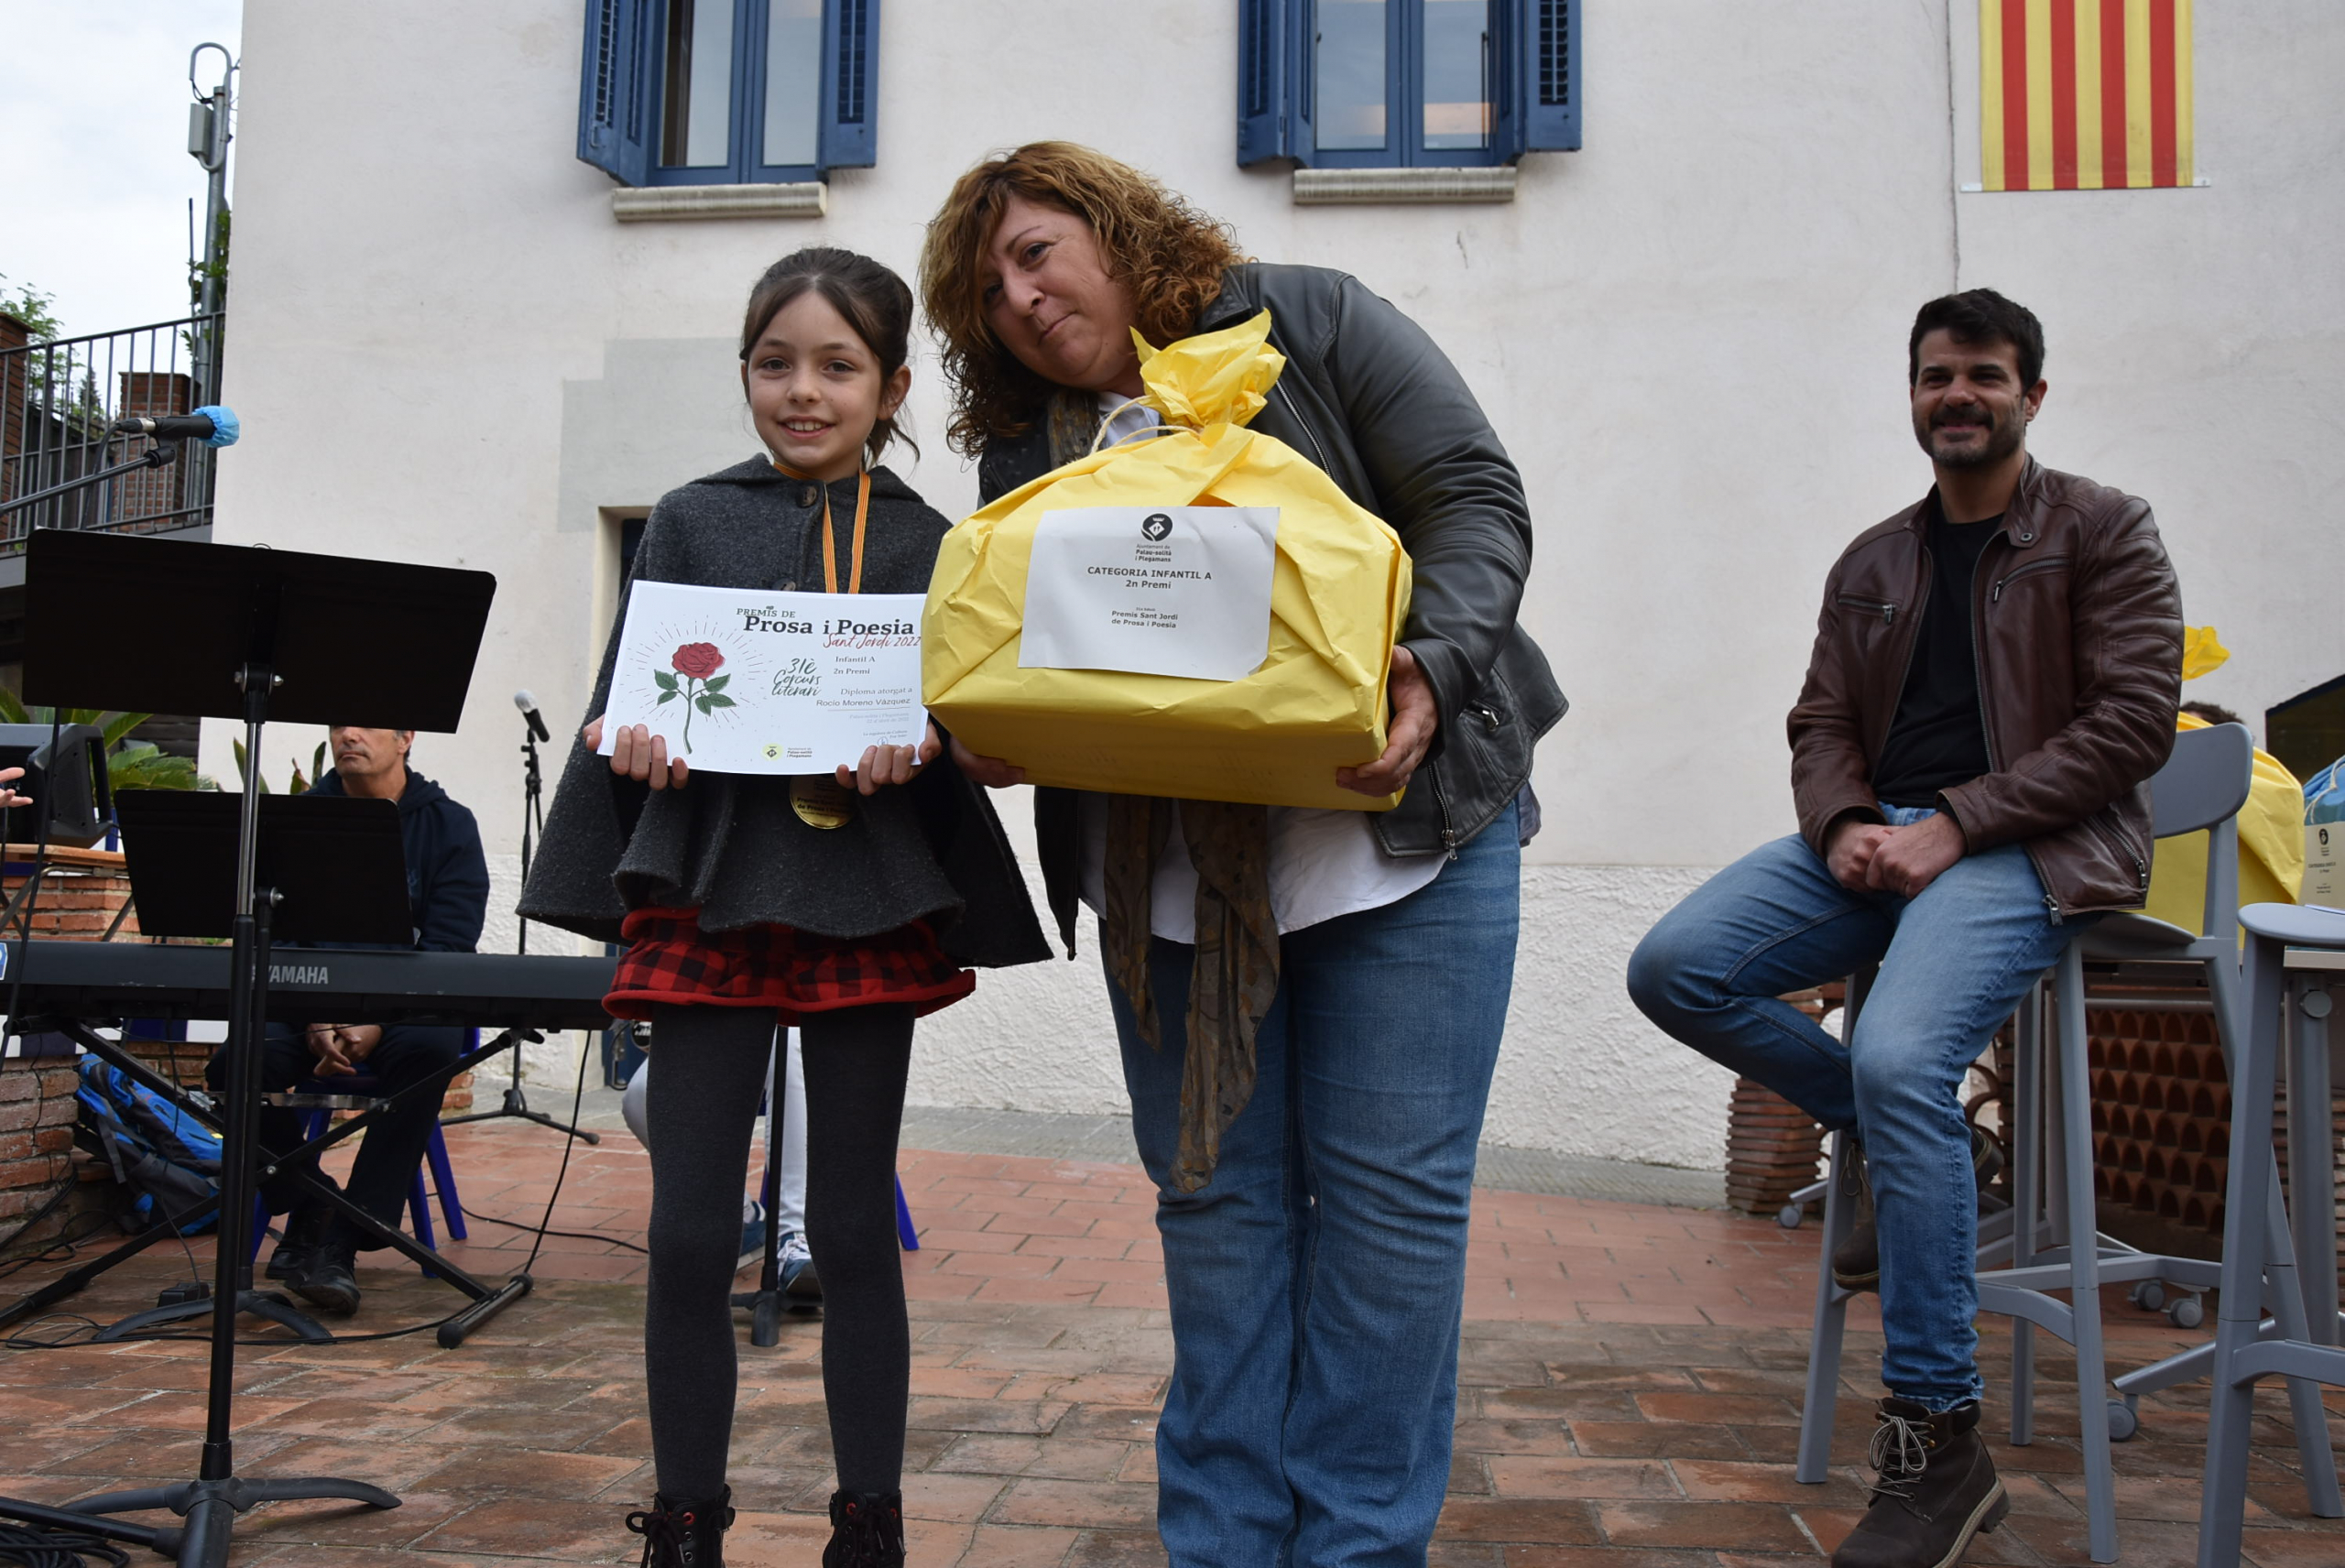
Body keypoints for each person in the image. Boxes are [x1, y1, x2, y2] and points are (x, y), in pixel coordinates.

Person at [919, 144, 1565, 1567]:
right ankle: (1219, 1544)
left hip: (1407, 849)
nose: (1019, 299)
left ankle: (1357, 1547)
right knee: (1215, 1212)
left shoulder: (1312, 319)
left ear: (1115, 230)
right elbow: (1025, 633)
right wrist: (996, 723)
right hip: (1164, 885)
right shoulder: (1031, 440)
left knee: (1391, 1223)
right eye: (986, 291)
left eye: (1035, 253)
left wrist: (1436, 660)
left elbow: (1472, 497)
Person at [1627, 289, 2182, 1568]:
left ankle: (1938, 1440)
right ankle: (1896, 1138)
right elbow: (1822, 721)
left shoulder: (2102, 528)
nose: (1957, 395)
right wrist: (1842, 825)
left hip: (2028, 845)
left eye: (1983, 374)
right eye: (1937, 376)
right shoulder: (1873, 560)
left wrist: (1959, 823)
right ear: (1915, 394)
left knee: (1894, 1057)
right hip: (1877, 839)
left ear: (2031, 394)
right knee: (1676, 968)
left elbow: (2132, 721)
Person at [518, 246, 1049, 1568]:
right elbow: (625, 703)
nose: (802, 391)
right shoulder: (689, 518)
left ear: (892, 386)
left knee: (854, 1228)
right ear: (745, 372)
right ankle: (684, 1522)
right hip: (713, 886)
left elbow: (967, 719)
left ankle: (870, 1525)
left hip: (865, 887)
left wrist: (927, 743)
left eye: (836, 366)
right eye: (774, 363)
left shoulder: (934, 541)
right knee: (690, 1230)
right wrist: (634, 745)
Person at [212, 724, 490, 1316]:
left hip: (407, 1008)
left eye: (365, 724)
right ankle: (314, 1201)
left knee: (429, 1055)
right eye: (339, 725)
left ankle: (342, 1239)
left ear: (405, 738)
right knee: (235, 1064)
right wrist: (316, 1017)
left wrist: (380, 1022)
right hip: (305, 1003)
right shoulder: (296, 821)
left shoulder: (448, 825)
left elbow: (450, 944)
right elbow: (275, 936)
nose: (349, 735)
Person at [621, 1033, 821, 1304]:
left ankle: (794, 1236)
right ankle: (743, 1217)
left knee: (787, 1046)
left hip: (795, 1023)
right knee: (640, 1094)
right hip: (716, 1021)